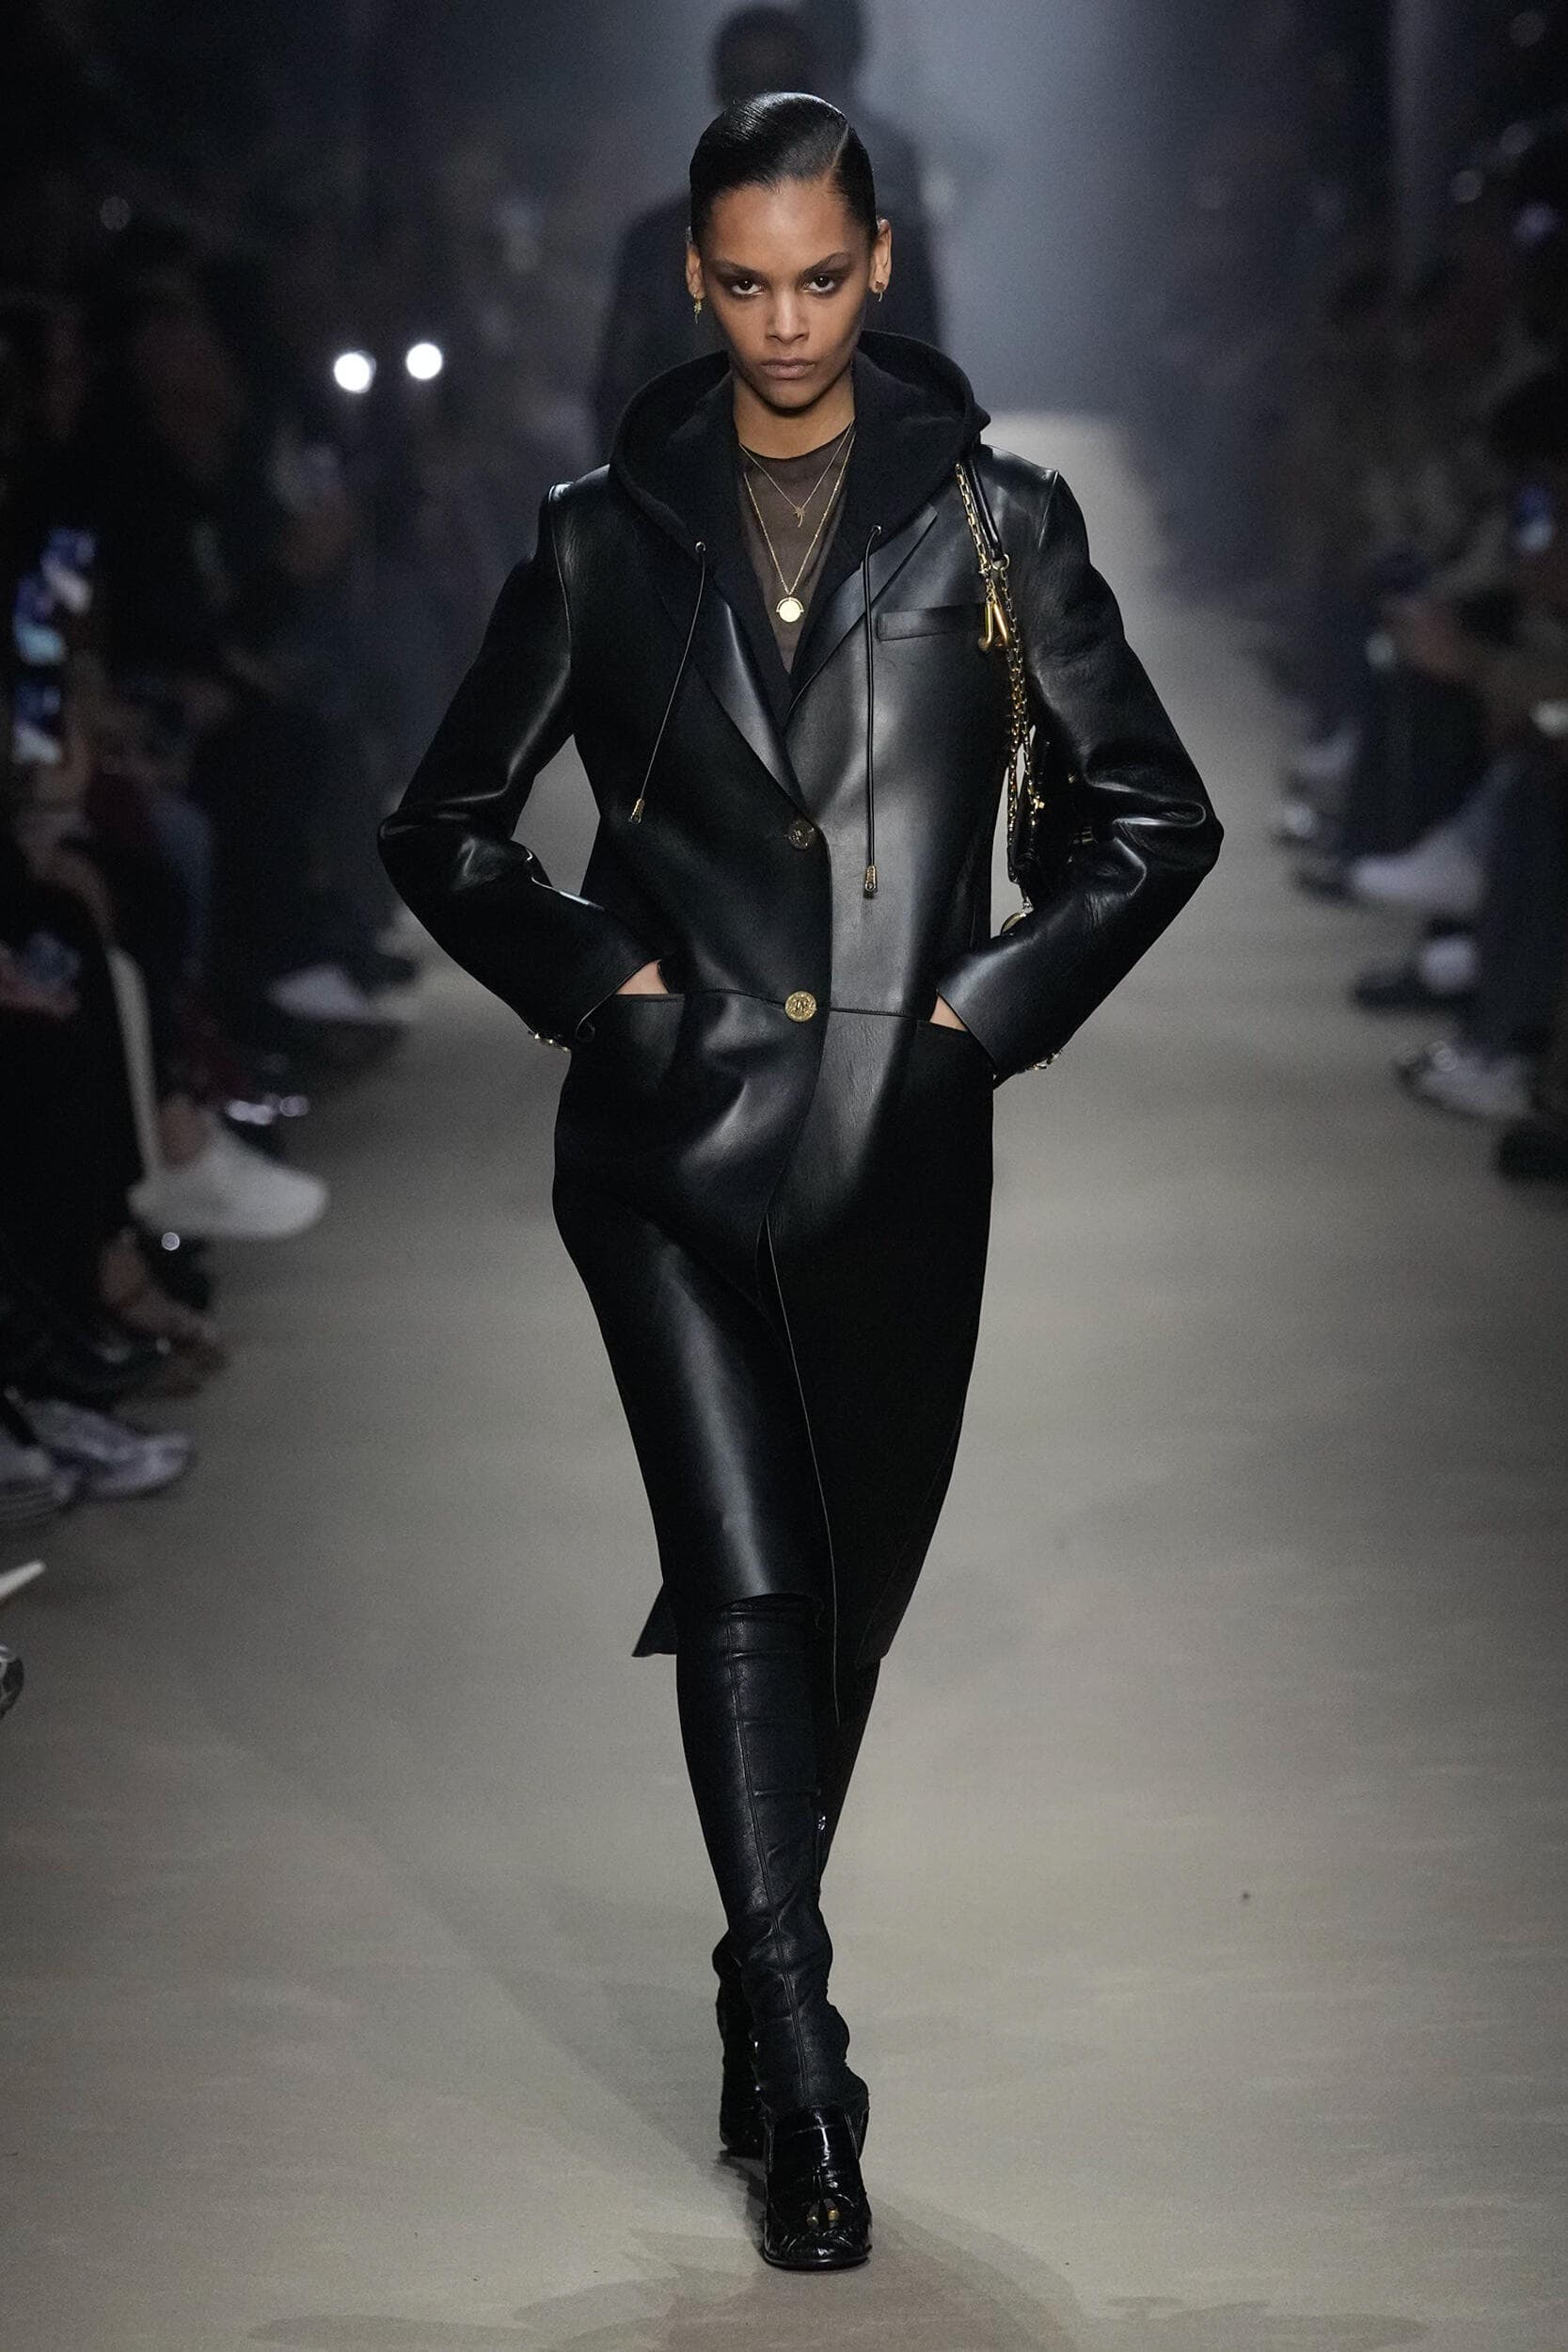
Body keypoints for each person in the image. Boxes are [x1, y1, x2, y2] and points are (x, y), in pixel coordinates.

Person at [379, 92, 1222, 2273]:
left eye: (819, 278)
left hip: (897, 1151)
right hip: (660, 1148)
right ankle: (803, 2054)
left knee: (839, 1603)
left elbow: (1153, 816)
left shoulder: (1000, 523)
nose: (781, 322)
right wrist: (608, 986)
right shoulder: (598, 534)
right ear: (692, 274)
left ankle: (758, 1973)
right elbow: (439, 822)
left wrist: (978, 1013)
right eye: (743, 283)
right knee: (747, 1580)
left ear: (879, 266)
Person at [590, 9, 820, 458]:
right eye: (749, 89)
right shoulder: (657, 247)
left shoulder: (872, 244)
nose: (765, 110)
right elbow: (617, 403)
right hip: (687, 490)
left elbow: (919, 406)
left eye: (781, 88)